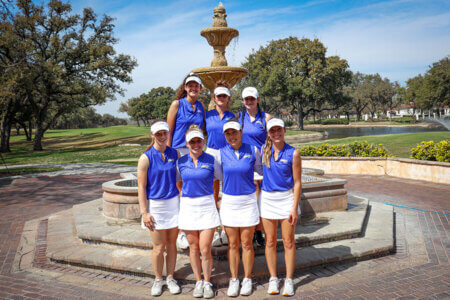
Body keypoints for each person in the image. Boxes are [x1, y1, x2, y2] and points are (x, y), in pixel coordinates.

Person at [218, 120, 263, 297]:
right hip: (229, 201)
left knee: (247, 244)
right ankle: (234, 279)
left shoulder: (253, 150)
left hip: (248, 201)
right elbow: (218, 176)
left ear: (241, 132)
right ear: (225, 136)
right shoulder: (220, 153)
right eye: (228, 134)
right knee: (233, 244)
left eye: (234, 132)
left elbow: (260, 173)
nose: (232, 136)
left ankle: (247, 279)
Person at [177, 125, 222, 298]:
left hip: (206, 206)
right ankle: (198, 282)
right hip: (188, 206)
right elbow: (178, 182)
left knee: (205, 249)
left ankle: (208, 282)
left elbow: (221, 178)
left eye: (199, 141)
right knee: (194, 248)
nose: (196, 144)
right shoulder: (180, 162)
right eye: (192, 141)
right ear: (187, 144)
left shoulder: (211, 159)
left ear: (203, 142)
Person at [137, 120, 181, 297]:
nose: (162, 137)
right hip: (155, 206)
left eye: (165, 133)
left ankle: (170, 277)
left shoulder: (175, 153)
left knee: (172, 245)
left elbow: (180, 179)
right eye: (158, 134)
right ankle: (158, 279)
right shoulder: (145, 157)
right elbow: (141, 187)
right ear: (152, 135)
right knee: (158, 246)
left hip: (173, 204)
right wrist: (144, 212)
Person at [260, 118, 302, 297]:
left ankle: (289, 280)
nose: (276, 133)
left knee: (288, 241)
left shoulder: (293, 153)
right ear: (268, 133)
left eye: (279, 130)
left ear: (284, 130)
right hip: (267, 199)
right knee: (269, 241)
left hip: (286, 199)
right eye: (272, 130)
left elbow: (298, 182)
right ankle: (273, 278)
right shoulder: (264, 151)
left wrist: (294, 207)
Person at [167, 72, 206, 250]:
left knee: (190, 190)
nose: (193, 88)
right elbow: (169, 129)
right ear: (185, 88)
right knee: (181, 190)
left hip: (195, 151)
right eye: (190, 85)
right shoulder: (177, 104)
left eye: (196, 86)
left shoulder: (200, 106)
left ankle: (192, 225)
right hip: (178, 151)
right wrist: (168, 153)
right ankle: (182, 231)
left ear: (200, 89)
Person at [238, 86, 271, 247]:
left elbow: (272, 139)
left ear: (257, 100)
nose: (249, 101)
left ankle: (258, 230)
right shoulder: (239, 117)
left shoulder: (266, 117)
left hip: (261, 160)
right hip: (245, 159)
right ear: (243, 101)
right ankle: (250, 229)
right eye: (246, 99)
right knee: (248, 194)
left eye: (252, 98)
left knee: (259, 194)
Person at [205, 81, 235, 246]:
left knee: (227, 192)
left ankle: (226, 228)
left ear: (228, 98)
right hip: (211, 153)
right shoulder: (208, 115)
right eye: (218, 96)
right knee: (213, 194)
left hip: (227, 153)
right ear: (214, 98)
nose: (221, 98)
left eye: (224, 95)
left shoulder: (232, 116)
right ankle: (215, 230)